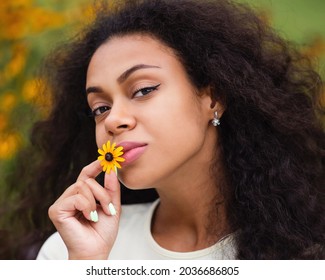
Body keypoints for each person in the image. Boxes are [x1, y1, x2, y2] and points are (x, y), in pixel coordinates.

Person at [1, 0, 324, 260]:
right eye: (100, 108)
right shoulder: (70, 249)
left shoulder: (307, 246)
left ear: (213, 97)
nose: (114, 120)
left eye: (143, 90)